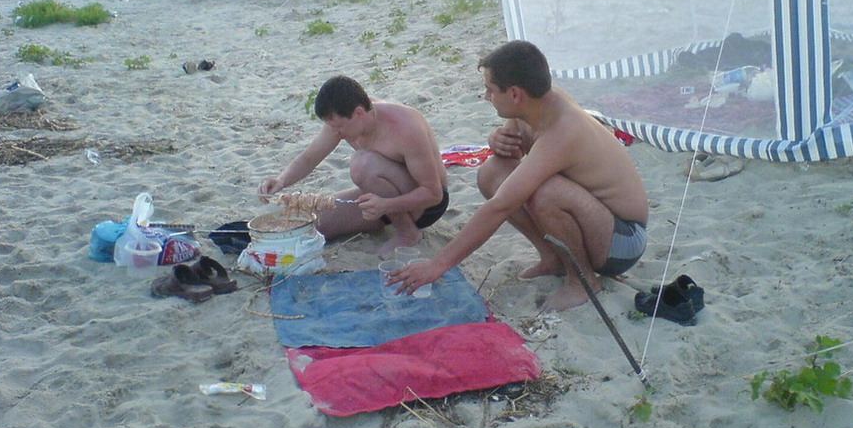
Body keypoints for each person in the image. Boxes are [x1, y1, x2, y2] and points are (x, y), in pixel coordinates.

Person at [389, 40, 649, 312]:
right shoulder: (535, 106)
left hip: (623, 241)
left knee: (545, 193)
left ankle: (582, 282)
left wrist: (437, 265)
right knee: (492, 172)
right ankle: (553, 259)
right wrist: (497, 140)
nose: (486, 96)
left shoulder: (563, 130)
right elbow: (513, 157)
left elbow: (501, 205)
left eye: (490, 89)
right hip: (596, 220)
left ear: (514, 94)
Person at [257, 75, 449, 256]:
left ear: (359, 112)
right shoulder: (342, 121)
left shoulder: (404, 126)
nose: (335, 132)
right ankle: (391, 219)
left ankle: (407, 233)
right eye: (332, 126)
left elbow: (433, 194)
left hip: (425, 205)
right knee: (314, 224)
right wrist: (281, 181)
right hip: (381, 198)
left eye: (339, 127)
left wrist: (386, 205)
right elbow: (308, 158)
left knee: (363, 163)